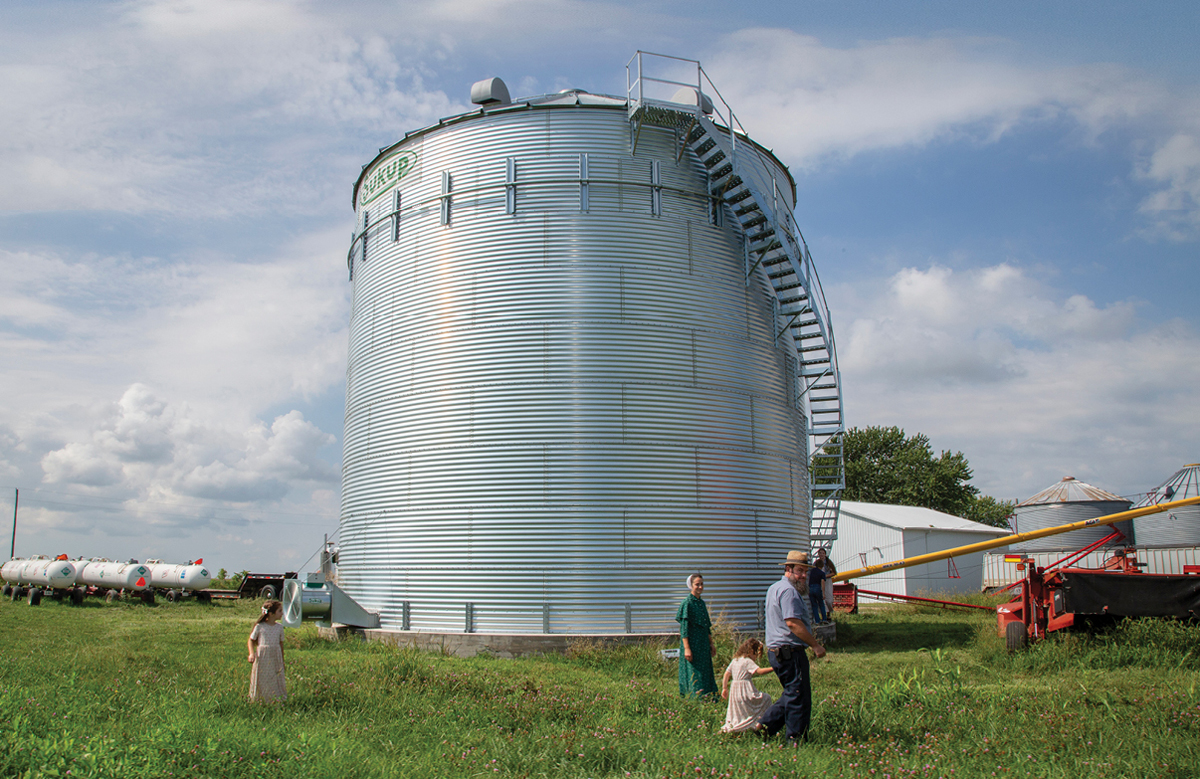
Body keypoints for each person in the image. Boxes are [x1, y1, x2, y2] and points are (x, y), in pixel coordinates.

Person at [757, 550, 827, 744]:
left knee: (792, 692)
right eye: (799, 571)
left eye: (805, 571)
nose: (803, 576)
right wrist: (815, 645)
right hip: (790, 651)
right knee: (798, 698)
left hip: (778, 651)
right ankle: (795, 741)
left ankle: (764, 727)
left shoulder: (775, 588)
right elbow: (793, 623)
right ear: (788, 569)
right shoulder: (788, 591)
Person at [676, 573, 718, 698]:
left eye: (701, 584)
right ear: (691, 586)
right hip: (693, 643)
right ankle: (695, 697)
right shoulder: (687, 603)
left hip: (703, 643)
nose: (700, 587)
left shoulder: (702, 603)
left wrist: (711, 643)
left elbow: (706, 626)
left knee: (706, 671)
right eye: (697, 584)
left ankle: (709, 695)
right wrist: (687, 648)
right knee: (694, 672)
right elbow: (684, 627)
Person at [719, 638, 774, 733]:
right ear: (751, 651)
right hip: (745, 690)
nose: (755, 658)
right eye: (756, 654)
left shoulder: (735, 660)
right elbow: (760, 671)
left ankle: (739, 727)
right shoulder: (747, 661)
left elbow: (726, 674)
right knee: (766, 698)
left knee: (739, 710)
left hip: (735, 691)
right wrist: (774, 668)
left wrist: (724, 688)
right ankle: (759, 723)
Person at [247, 599, 287, 703]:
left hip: (275, 655)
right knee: (262, 676)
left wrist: (282, 660)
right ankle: (260, 699)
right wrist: (251, 653)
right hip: (263, 655)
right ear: (271, 613)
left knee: (275, 676)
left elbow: (281, 644)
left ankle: (276, 699)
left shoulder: (279, 628)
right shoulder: (260, 627)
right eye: (279, 611)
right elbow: (251, 640)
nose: (282, 613)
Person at [817, 548, 837, 617]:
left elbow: (834, 573)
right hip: (819, 581)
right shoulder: (817, 563)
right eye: (820, 553)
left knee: (829, 599)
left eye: (823, 553)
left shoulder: (828, 563)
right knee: (821, 598)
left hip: (827, 580)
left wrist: (825, 576)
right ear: (818, 554)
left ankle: (829, 612)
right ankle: (824, 615)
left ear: (825, 554)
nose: (821, 555)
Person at [807, 559, 829, 623]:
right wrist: (824, 593)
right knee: (821, 604)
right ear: (822, 566)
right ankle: (824, 619)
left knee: (814, 605)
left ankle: (817, 620)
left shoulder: (812, 571)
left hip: (810, 588)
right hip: (817, 588)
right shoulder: (822, 573)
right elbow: (822, 582)